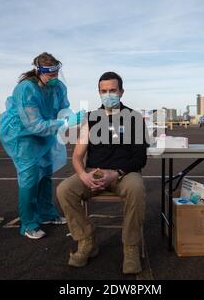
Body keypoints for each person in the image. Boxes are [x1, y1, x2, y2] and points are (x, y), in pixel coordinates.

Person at [56, 72, 149, 275]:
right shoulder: (90, 119)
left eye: (113, 90)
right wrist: (83, 175)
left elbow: (140, 158)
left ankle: (131, 247)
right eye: (104, 91)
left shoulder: (134, 118)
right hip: (94, 172)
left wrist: (115, 174)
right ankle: (86, 241)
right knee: (64, 189)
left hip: (124, 174)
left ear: (121, 91)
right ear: (99, 93)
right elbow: (77, 156)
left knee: (136, 188)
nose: (108, 94)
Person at [0, 52, 84, 240]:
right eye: (50, 75)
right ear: (39, 72)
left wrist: (70, 117)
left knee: (46, 172)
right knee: (29, 177)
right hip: (22, 135)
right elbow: (33, 125)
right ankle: (29, 223)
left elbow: (63, 109)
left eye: (57, 74)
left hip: (47, 130)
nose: (54, 78)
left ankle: (46, 213)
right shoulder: (26, 89)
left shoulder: (58, 87)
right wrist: (64, 123)